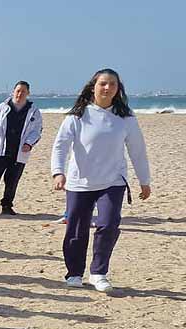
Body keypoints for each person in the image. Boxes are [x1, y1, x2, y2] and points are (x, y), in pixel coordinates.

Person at [51, 68, 151, 293]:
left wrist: (144, 180)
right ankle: (74, 273)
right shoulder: (77, 115)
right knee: (76, 229)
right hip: (79, 182)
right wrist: (58, 172)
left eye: (113, 84)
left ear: (118, 89)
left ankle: (98, 273)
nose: (107, 88)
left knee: (108, 224)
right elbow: (61, 145)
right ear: (93, 86)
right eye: (103, 83)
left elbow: (137, 150)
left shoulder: (125, 117)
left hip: (113, 181)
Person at [0, 81, 43, 216]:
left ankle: (6, 205)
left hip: (19, 151)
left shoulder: (34, 111)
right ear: (13, 91)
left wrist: (29, 144)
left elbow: (36, 131)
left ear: (28, 93)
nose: (20, 94)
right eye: (18, 91)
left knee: (12, 181)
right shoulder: (1, 108)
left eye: (23, 91)